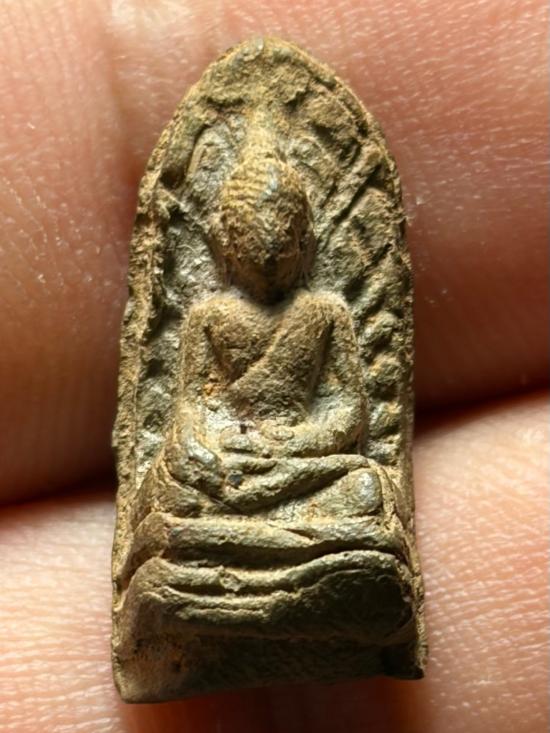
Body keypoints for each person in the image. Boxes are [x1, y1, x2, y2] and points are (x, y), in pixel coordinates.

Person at [0, 1, 547, 731]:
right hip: (228, 466)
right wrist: (223, 448)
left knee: (364, 487)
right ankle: (254, 582)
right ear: (223, 245)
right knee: (172, 480)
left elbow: (349, 414)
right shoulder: (208, 316)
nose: (266, 257)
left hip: (307, 466)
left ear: (306, 240)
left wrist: (296, 446)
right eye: (251, 244)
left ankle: (269, 579)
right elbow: (188, 409)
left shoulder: (324, 314)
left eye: (282, 242)